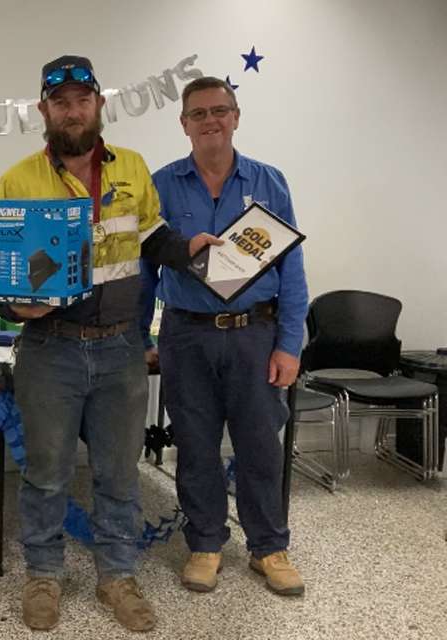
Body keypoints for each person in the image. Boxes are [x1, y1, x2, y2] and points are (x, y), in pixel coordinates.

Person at [0, 55, 218, 632]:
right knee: (47, 472)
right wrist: (14, 305)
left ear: (98, 106)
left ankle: (117, 575)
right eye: (60, 102)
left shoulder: (133, 170)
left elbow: (155, 238)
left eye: (82, 99)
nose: (72, 110)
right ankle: (43, 575)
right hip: (49, 348)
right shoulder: (18, 179)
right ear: (44, 110)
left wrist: (190, 249)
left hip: (120, 349)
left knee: (119, 472)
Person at [145, 75, 309, 596]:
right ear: (184, 124)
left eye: (220, 110)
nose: (210, 120)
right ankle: (206, 544)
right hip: (185, 336)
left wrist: (289, 343)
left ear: (235, 117)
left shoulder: (269, 181)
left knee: (260, 444)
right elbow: (147, 265)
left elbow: (293, 266)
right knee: (194, 445)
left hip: (253, 334)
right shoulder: (162, 184)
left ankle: (269, 547)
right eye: (199, 113)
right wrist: (138, 337)